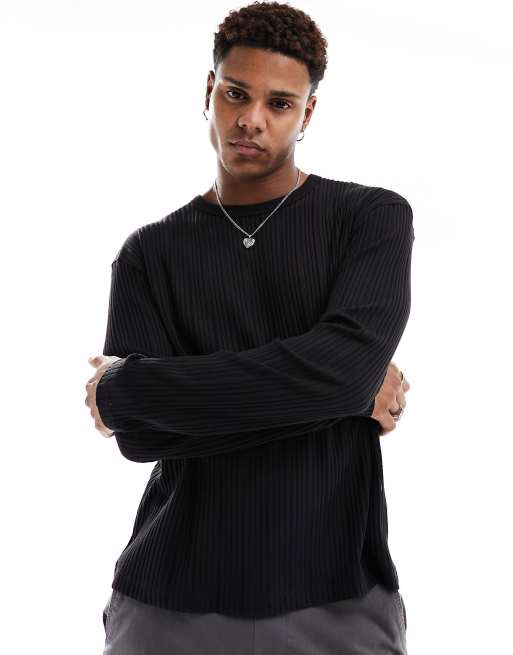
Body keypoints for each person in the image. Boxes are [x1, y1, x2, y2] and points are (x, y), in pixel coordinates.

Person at [85, 2, 414, 653]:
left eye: (279, 103)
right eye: (236, 93)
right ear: (209, 90)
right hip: (166, 603)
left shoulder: (368, 218)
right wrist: (342, 394)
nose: (251, 119)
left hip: (337, 598)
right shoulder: (149, 253)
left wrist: (136, 386)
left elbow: (134, 403)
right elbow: (139, 436)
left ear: (307, 113)